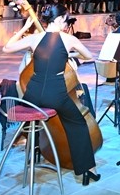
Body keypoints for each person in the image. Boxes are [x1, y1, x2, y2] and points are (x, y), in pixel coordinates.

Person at [11, 15, 101, 185]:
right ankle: (87, 170)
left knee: (42, 115)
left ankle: (34, 150)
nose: (67, 25)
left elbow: (7, 48)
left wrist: (24, 28)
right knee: (78, 124)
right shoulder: (68, 39)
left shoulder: (35, 38)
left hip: (32, 97)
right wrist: (69, 53)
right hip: (55, 95)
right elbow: (88, 56)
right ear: (59, 19)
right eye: (66, 21)